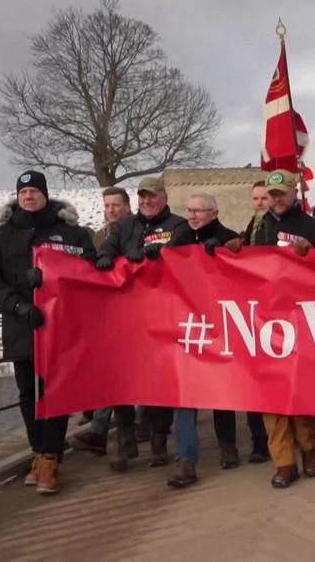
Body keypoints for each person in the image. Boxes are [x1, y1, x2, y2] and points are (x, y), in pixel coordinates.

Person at [0, 171, 96, 494]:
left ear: (45, 194)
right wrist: (16, 305)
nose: (29, 196)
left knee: (54, 393)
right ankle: (38, 452)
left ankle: (51, 456)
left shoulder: (70, 232)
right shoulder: (2, 237)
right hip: (21, 326)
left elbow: (89, 271)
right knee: (28, 394)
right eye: (23, 191)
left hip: (59, 328)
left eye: (34, 191)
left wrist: (50, 275)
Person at [224, 169, 315, 488]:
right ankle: (284, 462)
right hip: (264, 322)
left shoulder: (314, 227)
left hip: (301, 321)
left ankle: (309, 447)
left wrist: (312, 255)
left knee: (297, 391)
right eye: (272, 194)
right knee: (270, 394)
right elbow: (247, 262)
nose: (277, 199)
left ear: (294, 193)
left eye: (282, 193)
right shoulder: (259, 224)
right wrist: (236, 248)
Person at [165, 193, 270, 488]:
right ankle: (186, 459)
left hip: (221, 325)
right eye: (189, 210)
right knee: (184, 394)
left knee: (220, 389)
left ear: (214, 212)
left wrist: (228, 253)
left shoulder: (229, 238)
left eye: (199, 210)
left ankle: (228, 445)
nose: (193, 215)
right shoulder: (179, 238)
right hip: (187, 326)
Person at [95, 176, 187, 472]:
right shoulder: (125, 226)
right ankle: (126, 443)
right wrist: (110, 258)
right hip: (126, 317)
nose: (147, 201)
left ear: (164, 196)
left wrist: (157, 258)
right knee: (121, 380)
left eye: (152, 196)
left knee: (159, 381)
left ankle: (159, 442)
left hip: (162, 315)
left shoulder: (178, 225)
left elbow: (187, 260)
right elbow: (106, 248)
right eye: (142, 197)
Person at [70, 186, 133, 451]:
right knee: (107, 372)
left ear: (127, 207)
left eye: (116, 205)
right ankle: (100, 430)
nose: (111, 210)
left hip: (132, 310)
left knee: (127, 374)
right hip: (104, 313)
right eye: (107, 206)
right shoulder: (96, 238)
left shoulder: (135, 231)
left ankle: (134, 428)